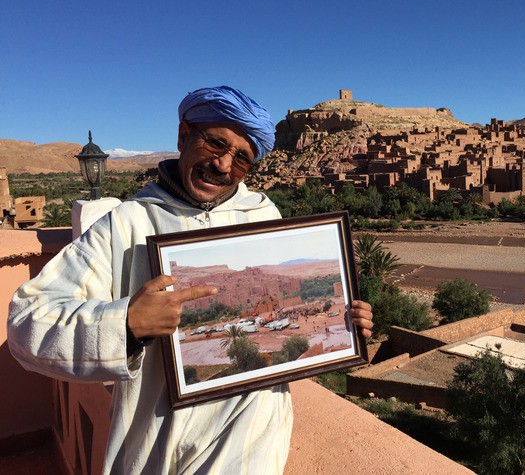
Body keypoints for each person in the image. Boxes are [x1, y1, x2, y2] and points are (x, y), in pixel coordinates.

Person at [7, 86, 373, 474]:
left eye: (242, 159)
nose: (223, 165)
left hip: (252, 449)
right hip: (157, 448)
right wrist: (125, 324)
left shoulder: (263, 215)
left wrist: (346, 321)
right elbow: (25, 325)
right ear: (184, 135)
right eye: (216, 143)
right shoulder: (127, 224)